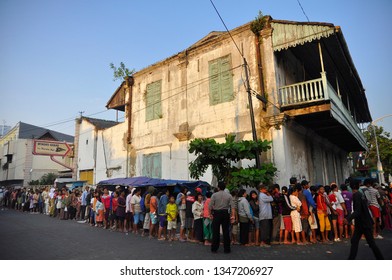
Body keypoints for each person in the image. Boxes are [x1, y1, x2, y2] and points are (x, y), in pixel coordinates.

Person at [344, 184, 384, 260]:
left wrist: (348, 218)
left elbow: (358, 211)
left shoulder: (356, 195)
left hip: (363, 223)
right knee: (355, 241)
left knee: (370, 243)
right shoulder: (361, 195)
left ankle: (380, 258)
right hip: (363, 223)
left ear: (351, 188)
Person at [209, 182, 235, 254]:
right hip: (225, 213)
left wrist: (210, 214)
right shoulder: (229, 196)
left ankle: (214, 248)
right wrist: (233, 216)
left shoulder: (214, 195)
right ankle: (227, 249)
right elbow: (232, 207)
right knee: (226, 231)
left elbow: (210, 206)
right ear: (225, 187)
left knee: (215, 231)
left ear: (218, 187)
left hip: (217, 213)